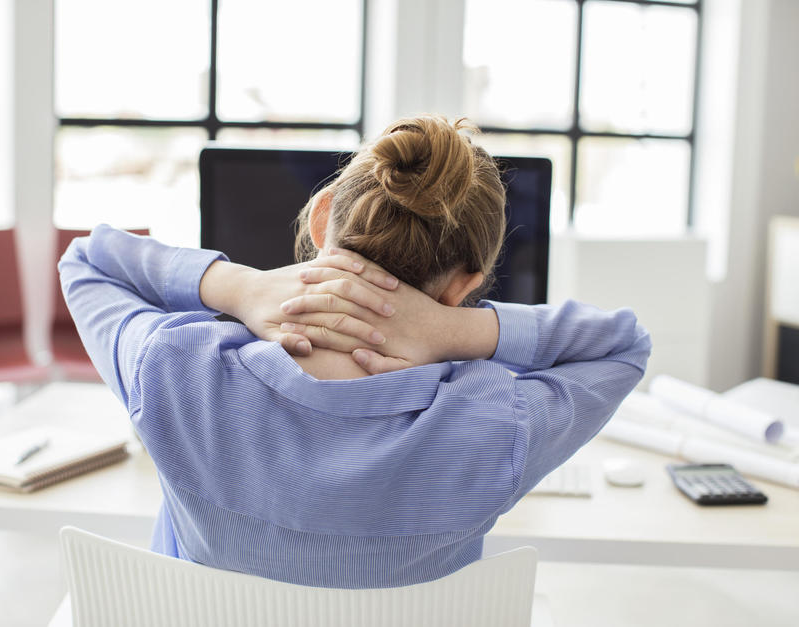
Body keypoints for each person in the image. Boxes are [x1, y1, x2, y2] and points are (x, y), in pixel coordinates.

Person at [58, 115, 651, 589]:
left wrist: (240, 286)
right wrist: (453, 329)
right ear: (466, 283)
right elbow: (623, 345)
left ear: (321, 221)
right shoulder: (497, 423)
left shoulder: (176, 368)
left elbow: (88, 260)